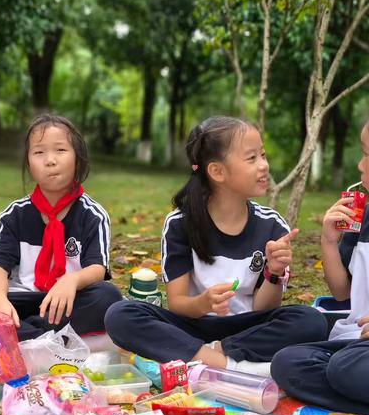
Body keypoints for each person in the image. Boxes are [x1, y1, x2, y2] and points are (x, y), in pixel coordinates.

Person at [105, 116, 326, 376]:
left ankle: (208, 355)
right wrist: (204, 303)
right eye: (252, 158)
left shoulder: (272, 226)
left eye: (263, 155)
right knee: (120, 314)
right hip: (193, 324)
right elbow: (177, 304)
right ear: (217, 172)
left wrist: (274, 273)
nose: (264, 166)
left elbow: (264, 309)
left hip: (247, 329)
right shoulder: (180, 224)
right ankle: (226, 364)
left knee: (311, 320)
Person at [0, 114, 122, 340]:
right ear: (28, 163)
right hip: (21, 300)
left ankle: (22, 334)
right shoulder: (13, 215)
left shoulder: (93, 214)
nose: (50, 160)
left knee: (107, 296)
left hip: (67, 301)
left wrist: (71, 281)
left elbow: (98, 269)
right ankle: (40, 336)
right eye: (39, 152)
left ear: (78, 158)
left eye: (60, 150)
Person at [271, 120, 369, 414]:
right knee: (288, 363)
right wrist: (328, 241)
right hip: (358, 344)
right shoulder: (363, 214)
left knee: (344, 368)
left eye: (367, 154)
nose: (360, 165)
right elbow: (343, 292)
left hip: (355, 358)